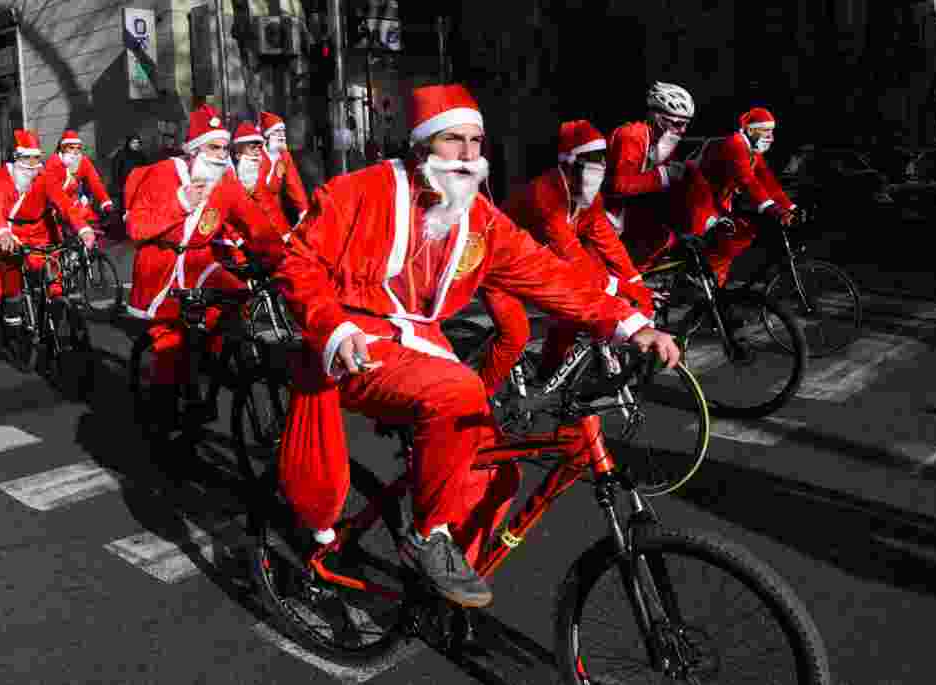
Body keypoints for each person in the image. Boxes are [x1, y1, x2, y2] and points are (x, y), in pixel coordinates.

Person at [273, 84, 681, 609]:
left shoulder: (480, 219)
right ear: (420, 147)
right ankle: (428, 537)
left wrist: (629, 325)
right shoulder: (360, 191)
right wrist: (332, 327)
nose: (468, 156)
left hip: (420, 344)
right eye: (452, 141)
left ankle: (438, 584)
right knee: (460, 390)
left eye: (475, 141)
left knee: (496, 472)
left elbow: (549, 275)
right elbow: (299, 264)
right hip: (357, 342)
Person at [125, 105, 282, 438]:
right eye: (214, 147)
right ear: (195, 148)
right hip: (162, 265)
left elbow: (255, 224)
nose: (222, 155)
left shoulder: (226, 182)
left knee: (238, 296)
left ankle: (209, 360)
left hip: (198, 261)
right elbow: (138, 227)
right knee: (171, 341)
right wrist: (180, 203)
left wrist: (281, 260)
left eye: (225, 148)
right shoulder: (166, 173)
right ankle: (163, 416)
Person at [475, 119, 655, 391]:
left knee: (571, 316)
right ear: (569, 163)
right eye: (591, 159)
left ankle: (545, 380)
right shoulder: (544, 194)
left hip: (536, 264)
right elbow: (572, 256)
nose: (600, 166)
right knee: (515, 334)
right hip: (497, 264)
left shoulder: (588, 197)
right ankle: (478, 399)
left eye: (602, 159)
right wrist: (618, 287)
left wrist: (637, 281)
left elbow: (608, 242)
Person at [0, 130, 95, 325]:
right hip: (13, 233)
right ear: (17, 157)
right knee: (12, 278)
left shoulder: (44, 177)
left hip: (41, 233)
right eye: (28, 158)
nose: (33, 164)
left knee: (55, 281)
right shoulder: (1, 177)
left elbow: (64, 204)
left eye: (37, 158)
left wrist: (83, 228)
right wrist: (3, 232)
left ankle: (57, 326)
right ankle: (13, 319)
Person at [691, 107, 798, 287]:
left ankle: (713, 283)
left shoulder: (753, 151)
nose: (771, 136)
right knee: (735, 232)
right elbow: (748, 181)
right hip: (698, 198)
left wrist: (792, 207)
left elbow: (768, 182)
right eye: (766, 130)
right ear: (750, 130)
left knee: (741, 233)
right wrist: (774, 209)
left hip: (717, 200)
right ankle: (702, 279)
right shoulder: (735, 143)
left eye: (772, 131)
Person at [604, 82, 695, 268]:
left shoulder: (662, 139)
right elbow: (619, 185)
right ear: (657, 117)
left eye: (686, 124)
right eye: (678, 123)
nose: (683, 130)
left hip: (625, 212)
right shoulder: (633, 135)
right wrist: (664, 175)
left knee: (663, 238)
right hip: (603, 211)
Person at [44, 129, 115, 230]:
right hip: (56, 205)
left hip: (75, 203)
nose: (76, 152)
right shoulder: (53, 163)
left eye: (78, 148)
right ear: (63, 148)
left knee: (93, 225)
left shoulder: (83, 161)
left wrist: (106, 202)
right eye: (71, 148)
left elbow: (95, 182)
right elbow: (54, 193)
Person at [259, 112, 310, 226]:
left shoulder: (284, 156)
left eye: (283, 132)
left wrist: (304, 211)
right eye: (277, 132)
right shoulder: (257, 154)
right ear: (267, 135)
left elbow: (294, 184)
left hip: (275, 210)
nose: (281, 135)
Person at [113, 133, 149, 206]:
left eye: (137, 142)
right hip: (125, 185)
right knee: (125, 205)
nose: (136, 144)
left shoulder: (141, 155)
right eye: (133, 142)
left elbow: (146, 170)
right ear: (128, 143)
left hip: (138, 185)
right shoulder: (121, 154)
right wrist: (118, 185)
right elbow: (116, 170)